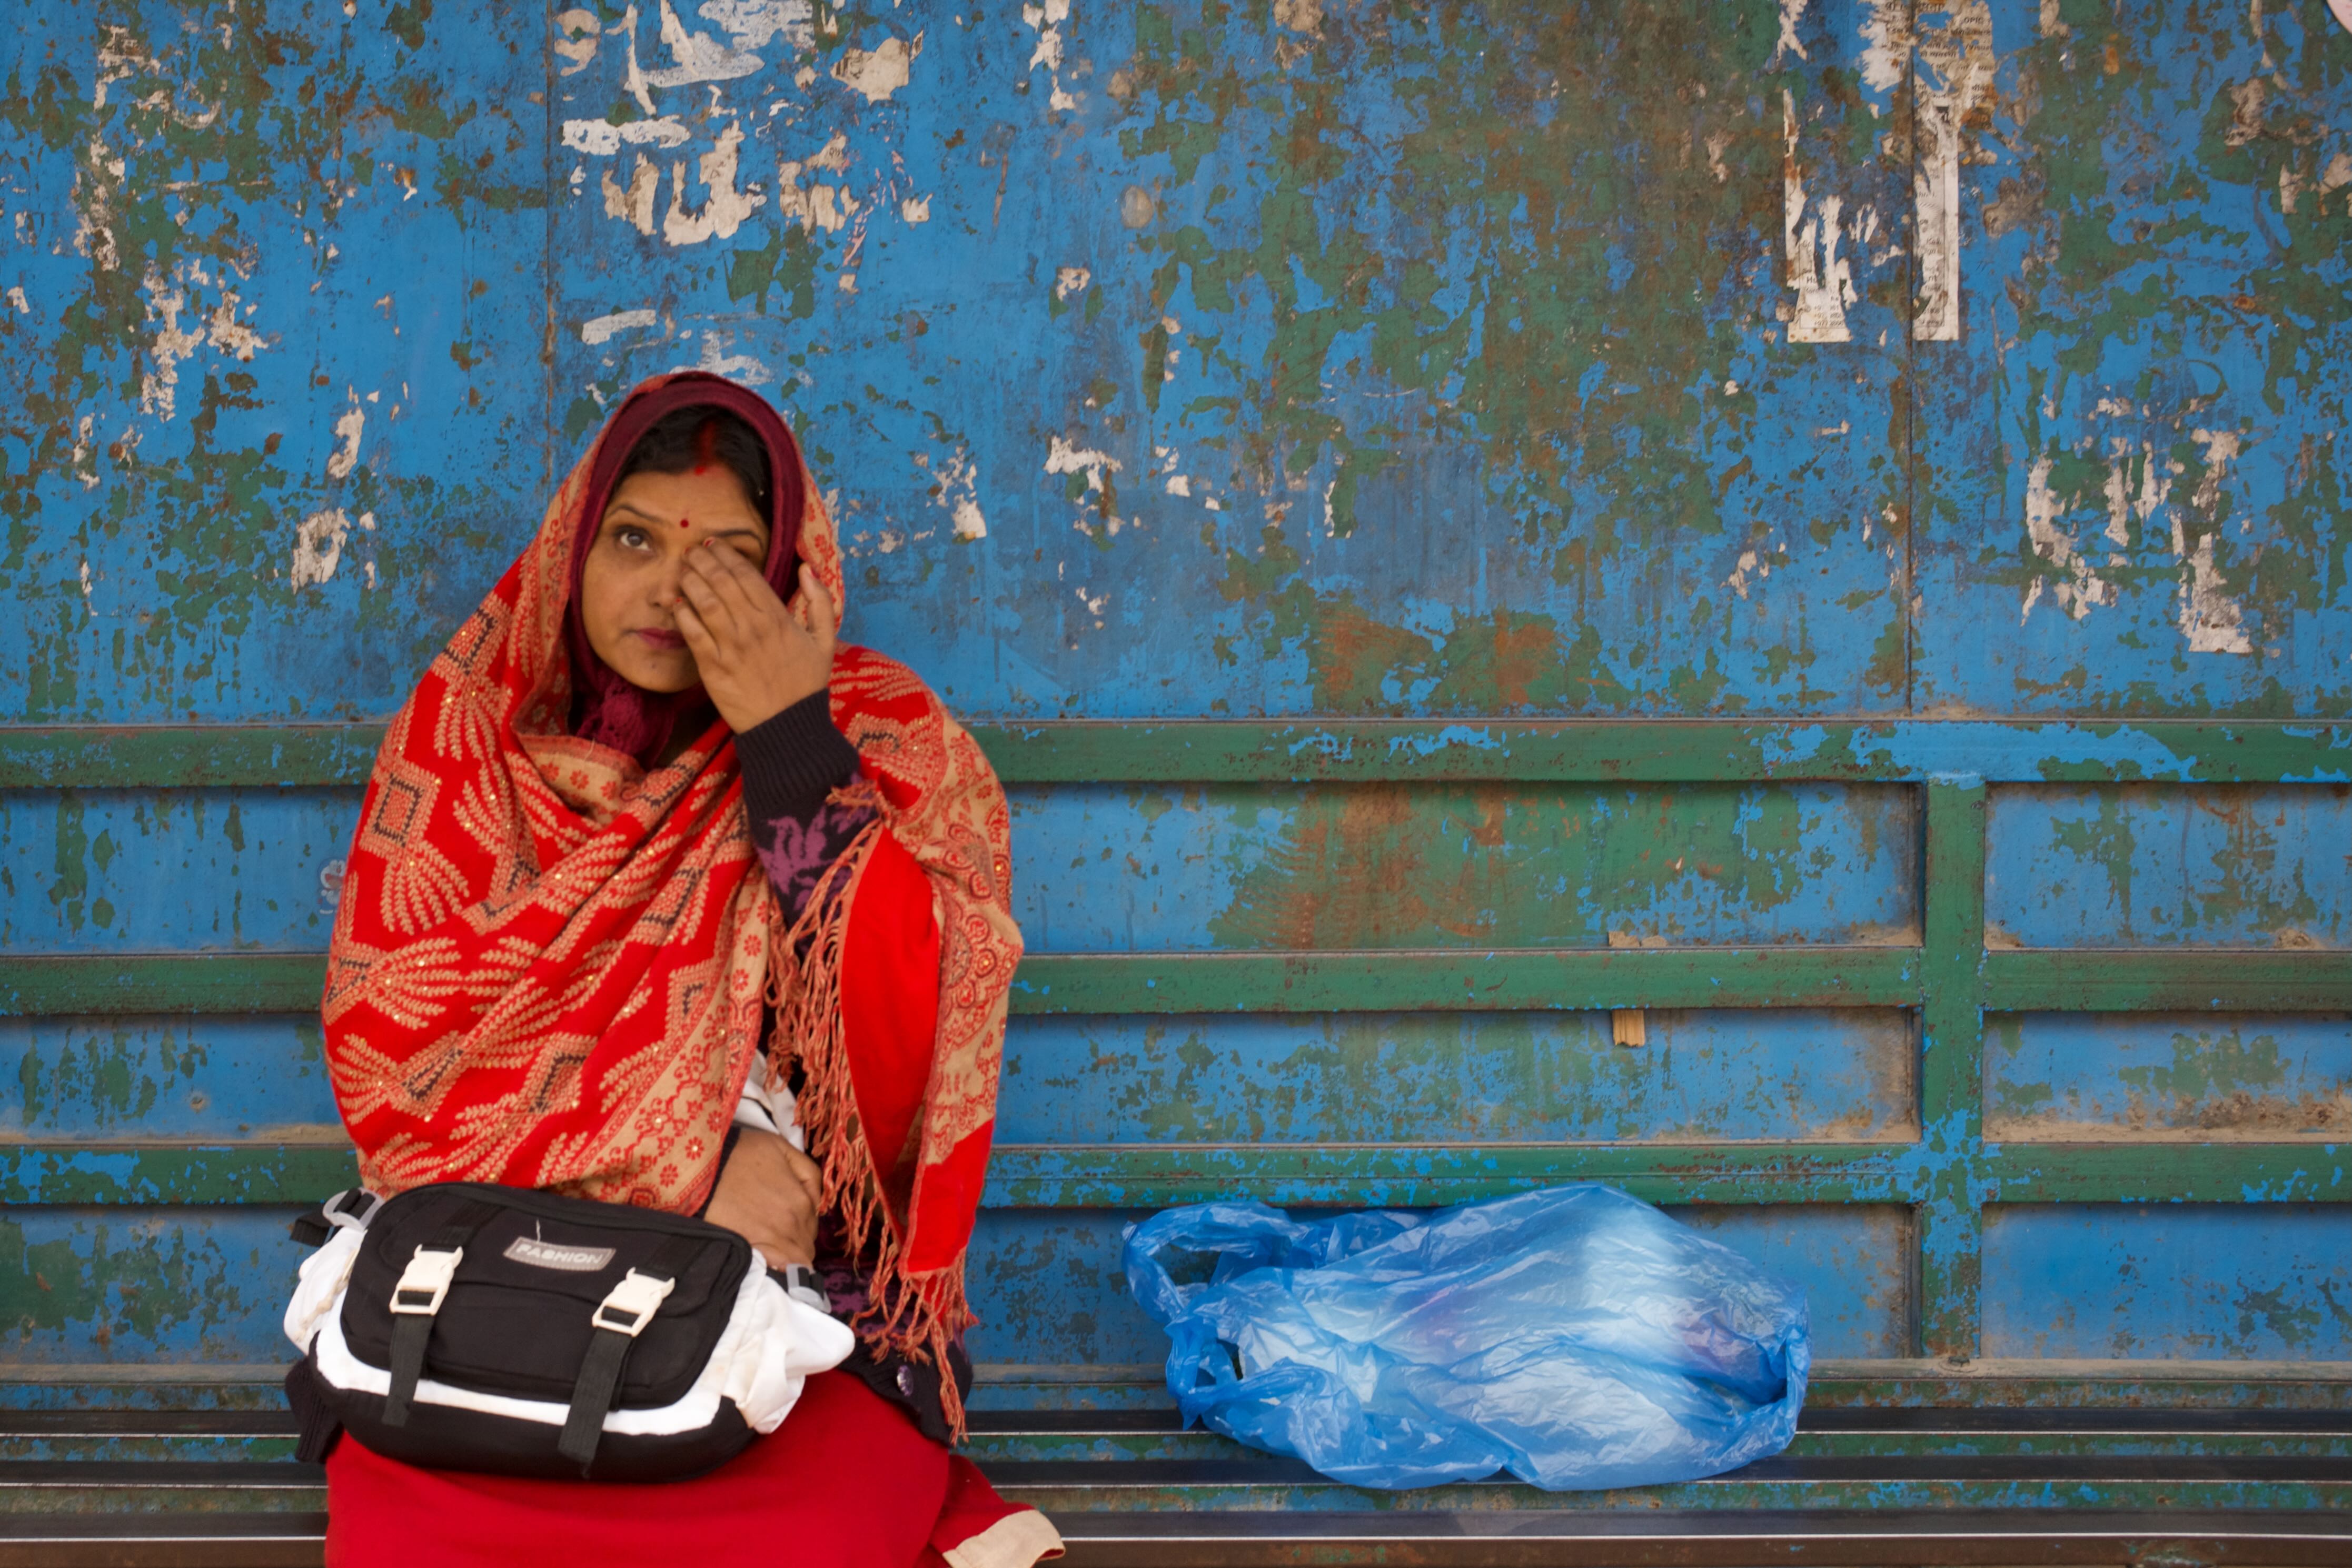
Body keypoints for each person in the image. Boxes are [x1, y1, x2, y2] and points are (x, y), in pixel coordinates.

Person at [314, 372, 1061, 1568]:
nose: (672, 587)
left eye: (726, 553)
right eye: (634, 538)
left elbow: (909, 1074)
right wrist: (686, 1159)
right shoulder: (468, 734)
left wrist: (786, 740)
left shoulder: (879, 733)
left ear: (786, 577)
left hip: (787, 1322)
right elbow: (393, 1065)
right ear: (571, 549)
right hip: (500, 1309)